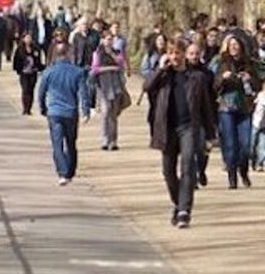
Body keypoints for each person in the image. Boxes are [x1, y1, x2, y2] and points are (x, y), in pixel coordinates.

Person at [145, 39, 217, 228]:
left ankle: (184, 210)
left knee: (187, 167)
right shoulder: (163, 76)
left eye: (178, 53)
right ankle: (178, 203)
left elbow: (206, 107)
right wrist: (161, 69)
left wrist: (210, 133)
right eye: (171, 53)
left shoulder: (197, 78)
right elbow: (147, 87)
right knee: (168, 172)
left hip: (188, 127)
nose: (175, 57)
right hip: (167, 128)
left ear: (184, 54)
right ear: (167, 55)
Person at [37, 42, 91, 186]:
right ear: (68, 54)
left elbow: (41, 92)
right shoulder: (77, 72)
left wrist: (42, 108)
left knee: (57, 143)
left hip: (54, 112)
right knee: (71, 142)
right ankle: (70, 171)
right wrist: (85, 111)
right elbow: (83, 93)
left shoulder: (49, 72)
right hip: (70, 112)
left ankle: (62, 172)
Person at [213, 34, 261, 189]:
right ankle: (232, 176)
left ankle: (244, 170)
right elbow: (214, 86)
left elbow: (257, 85)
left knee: (245, 144)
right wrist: (223, 78)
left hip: (244, 108)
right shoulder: (222, 63)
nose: (234, 47)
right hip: (226, 107)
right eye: (231, 44)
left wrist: (249, 79)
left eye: (236, 44)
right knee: (230, 144)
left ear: (241, 46)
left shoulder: (249, 63)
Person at [91, 32, 128, 151]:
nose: (109, 41)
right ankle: (105, 139)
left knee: (114, 114)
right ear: (102, 40)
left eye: (111, 39)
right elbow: (95, 69)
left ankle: (113, 141)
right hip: (104, 86)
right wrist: (110, 68)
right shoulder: (98, 53)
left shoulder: (116, 52)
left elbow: (121, 64)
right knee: (106, 112)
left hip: (116, 85)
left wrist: (114, 56)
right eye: (107, 39)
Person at [13, 32, 44, 116]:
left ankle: (29, 108)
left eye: (29, 38)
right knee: (25, 90)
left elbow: (38, 61)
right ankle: (25, 108)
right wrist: (18, 70)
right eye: (26, 38)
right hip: (24, 73)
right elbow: (16, 61)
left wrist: (41, 68)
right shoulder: (20, 49)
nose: (28, 40)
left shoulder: (35, 48)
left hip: (33, 72)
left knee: (31, 90)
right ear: (23, 39)